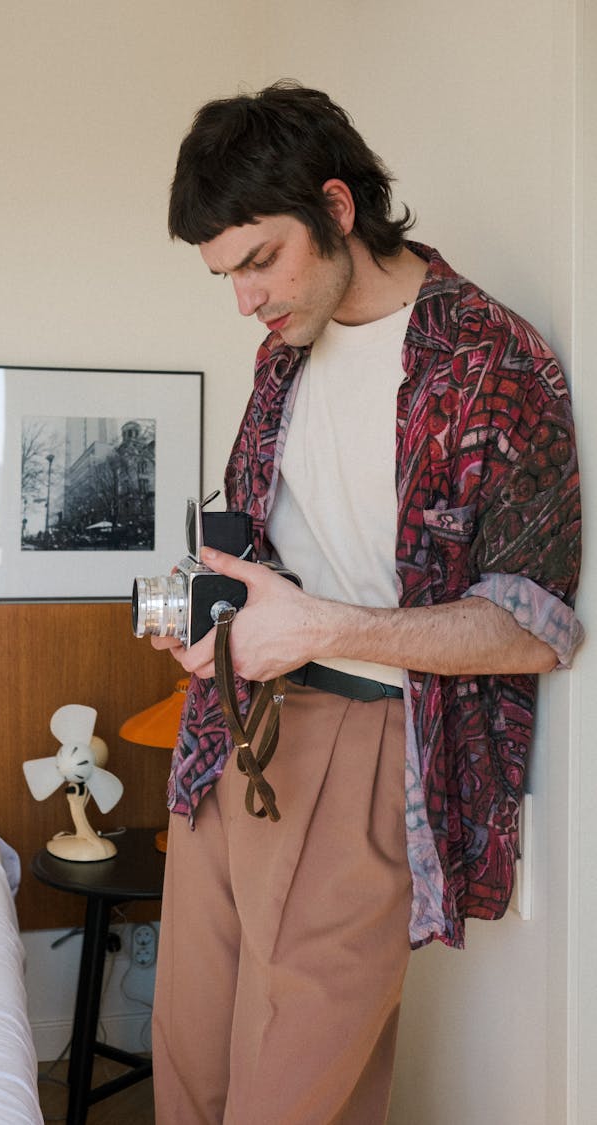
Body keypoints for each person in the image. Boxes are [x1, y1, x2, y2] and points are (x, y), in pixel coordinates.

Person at [148, 81, 583, 1125]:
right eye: (225, 274)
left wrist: (324, 628)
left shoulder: (492, 361)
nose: (246, 299)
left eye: (260, 259)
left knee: (287, 1098)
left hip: (374, 748)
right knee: (190, 1070)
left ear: (338, 208)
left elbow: (533, 629)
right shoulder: (279, 361)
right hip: (229, 737)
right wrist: (210, 621)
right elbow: (273, 544)